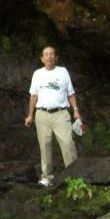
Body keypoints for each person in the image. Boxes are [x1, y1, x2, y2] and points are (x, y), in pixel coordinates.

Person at [23, 45, 82, 187]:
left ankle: (73, 176)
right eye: (46, 54)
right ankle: (47, 176)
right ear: (42, 59)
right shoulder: (37, 74)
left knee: (68, 143)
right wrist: (30, 115)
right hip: (42, 114)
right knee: (45, 145)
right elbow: (33, 96)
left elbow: (71, 93)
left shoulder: (63, 72)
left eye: (51, 54)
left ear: (56, 57)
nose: (49, 56)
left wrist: (76, 110)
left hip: (61, 113)